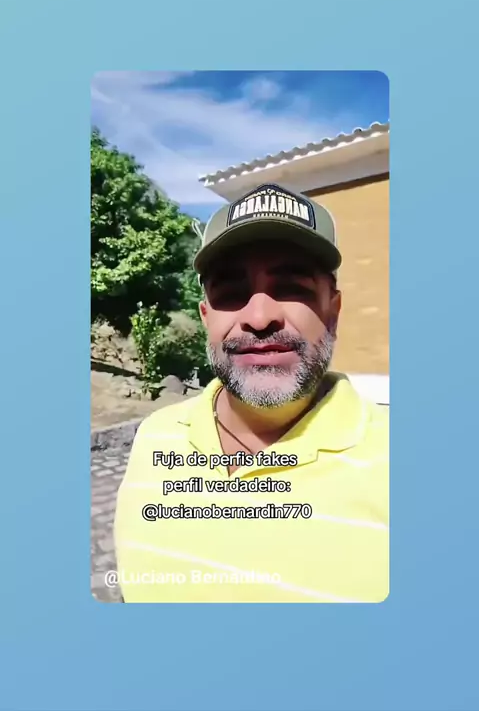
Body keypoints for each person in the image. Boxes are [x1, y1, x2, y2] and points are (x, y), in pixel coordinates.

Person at [114, 182, 389, 603]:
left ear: (332, 311)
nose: (259, 318)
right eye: (230, 292)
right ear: (206, 318)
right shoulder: (154, 436)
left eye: (291, 287)